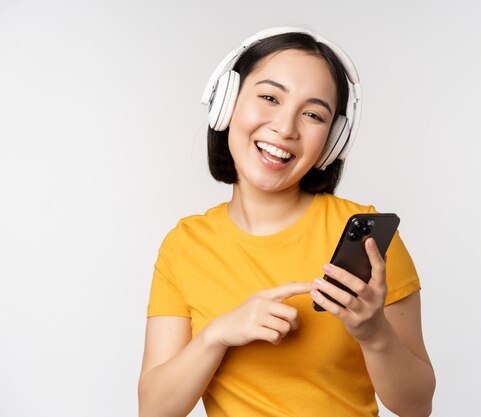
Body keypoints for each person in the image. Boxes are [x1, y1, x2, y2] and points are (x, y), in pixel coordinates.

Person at [138, 27, 436, 417]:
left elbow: (417, 406)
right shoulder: (184, 245)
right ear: (226, 104)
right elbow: (154, 410)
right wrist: (218, 335)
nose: (285, 127)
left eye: (313, 114)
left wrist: (373, 333)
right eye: (269, 97)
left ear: (332, 141)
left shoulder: (366, 238)